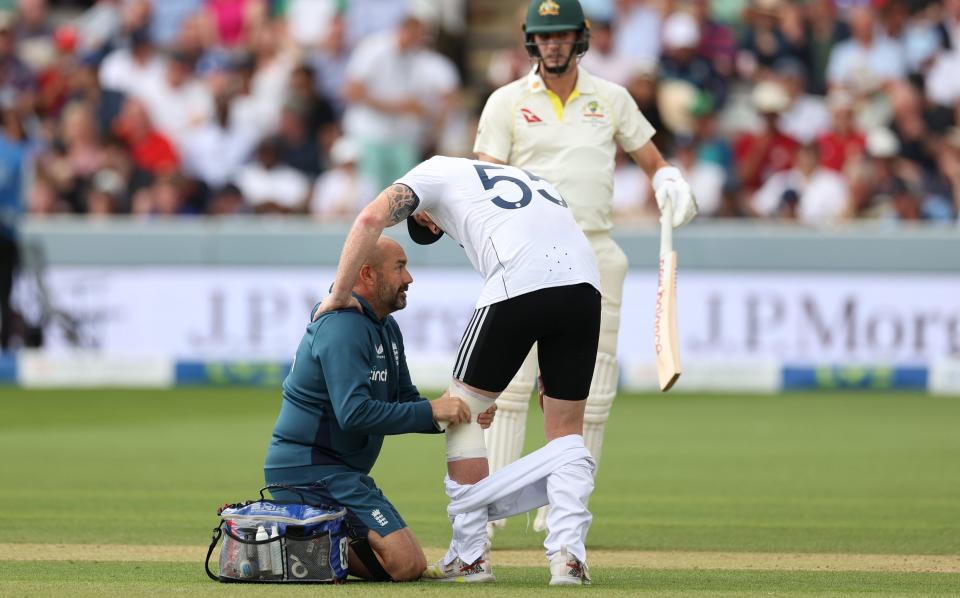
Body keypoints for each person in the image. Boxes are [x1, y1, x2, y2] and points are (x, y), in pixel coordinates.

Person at [473, 0, 697, 534]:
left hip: (596, 252)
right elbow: (484, 179)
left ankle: (562, 512)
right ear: (531, 41)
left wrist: (668, 180)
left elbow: (652, 160)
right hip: (527, 250)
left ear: (581, 38)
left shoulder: (611, 98)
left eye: (562, 35)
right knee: (510, 387)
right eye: (544, 37)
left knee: (591, 394)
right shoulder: (506, 102)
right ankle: (492, 513)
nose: (553, 45)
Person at [264, 236, 497, 582]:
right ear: (368, 274)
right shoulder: (342, 327)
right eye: (400, 267)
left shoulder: (386, 327)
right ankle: (288, 540)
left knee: (408, 564)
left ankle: (305, 535)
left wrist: (456, 411)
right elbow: (354, 414)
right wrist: (434, 411)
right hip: (309, 473)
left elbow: (404, 400)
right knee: (405, 565)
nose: (409, 278)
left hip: (339, 474)